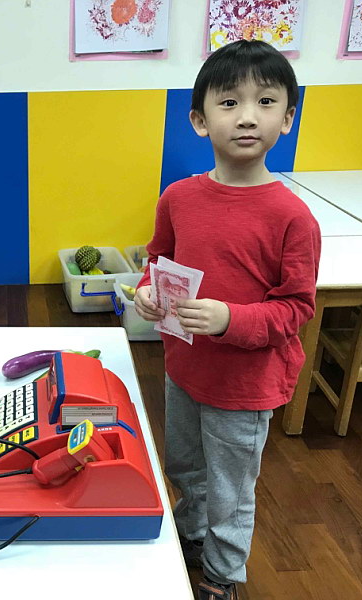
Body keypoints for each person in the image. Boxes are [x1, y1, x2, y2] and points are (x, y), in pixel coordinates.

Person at [134, 40, 320, 600]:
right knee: (185, 467)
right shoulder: (178, 198)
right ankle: (191, 536)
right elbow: (157, 262)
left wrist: (227, 319)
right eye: (230, 102)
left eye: (266, 101)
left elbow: (296, 309)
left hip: (244, 385)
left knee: (231, 489)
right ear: (199, 120)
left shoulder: (293, 217)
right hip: (184, 368)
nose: (247, 117)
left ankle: (222, 573)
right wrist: (146, 294)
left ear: (287, 118)